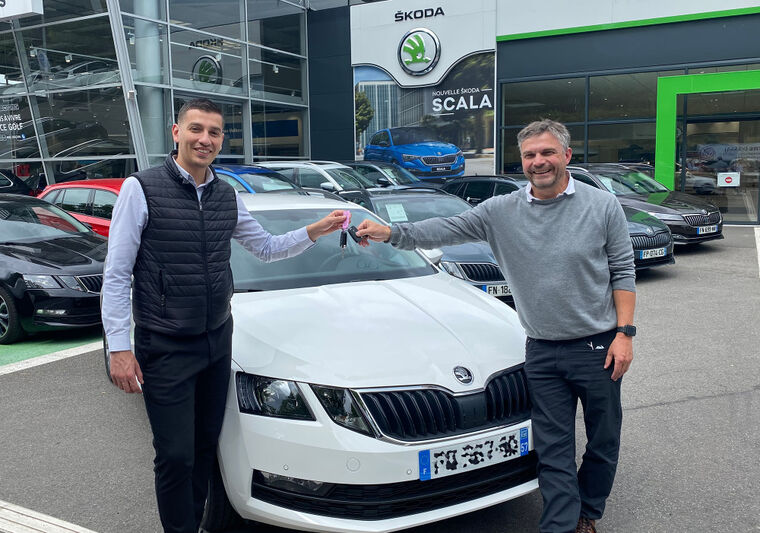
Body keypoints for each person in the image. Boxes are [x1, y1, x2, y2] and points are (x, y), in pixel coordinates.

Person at [356, 119, 636, 533]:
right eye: (529, 155)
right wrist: (390, 233)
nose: (538, 162)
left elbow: (623, 272)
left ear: (566, 156)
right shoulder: (500, 211)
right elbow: (442, 229)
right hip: (541, 351)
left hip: (597, 347)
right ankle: (560, 526)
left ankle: (588, 510)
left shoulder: (601, 205)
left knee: (604, 440)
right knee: (555, 449)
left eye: (547, 153)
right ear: (521, 161)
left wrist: (624, 335)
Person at [101, 98, 346, 533]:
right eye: (196, 129)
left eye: (214, 133)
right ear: (176, 133)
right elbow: (117, 274)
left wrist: (315, 230)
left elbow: (266, 248)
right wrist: (119, 348)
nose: (205, 139)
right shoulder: (141, 188)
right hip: (166, 344)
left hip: (217, 339)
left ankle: (192, 525)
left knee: (203, 447)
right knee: (175, 453)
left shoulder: (225, 194)